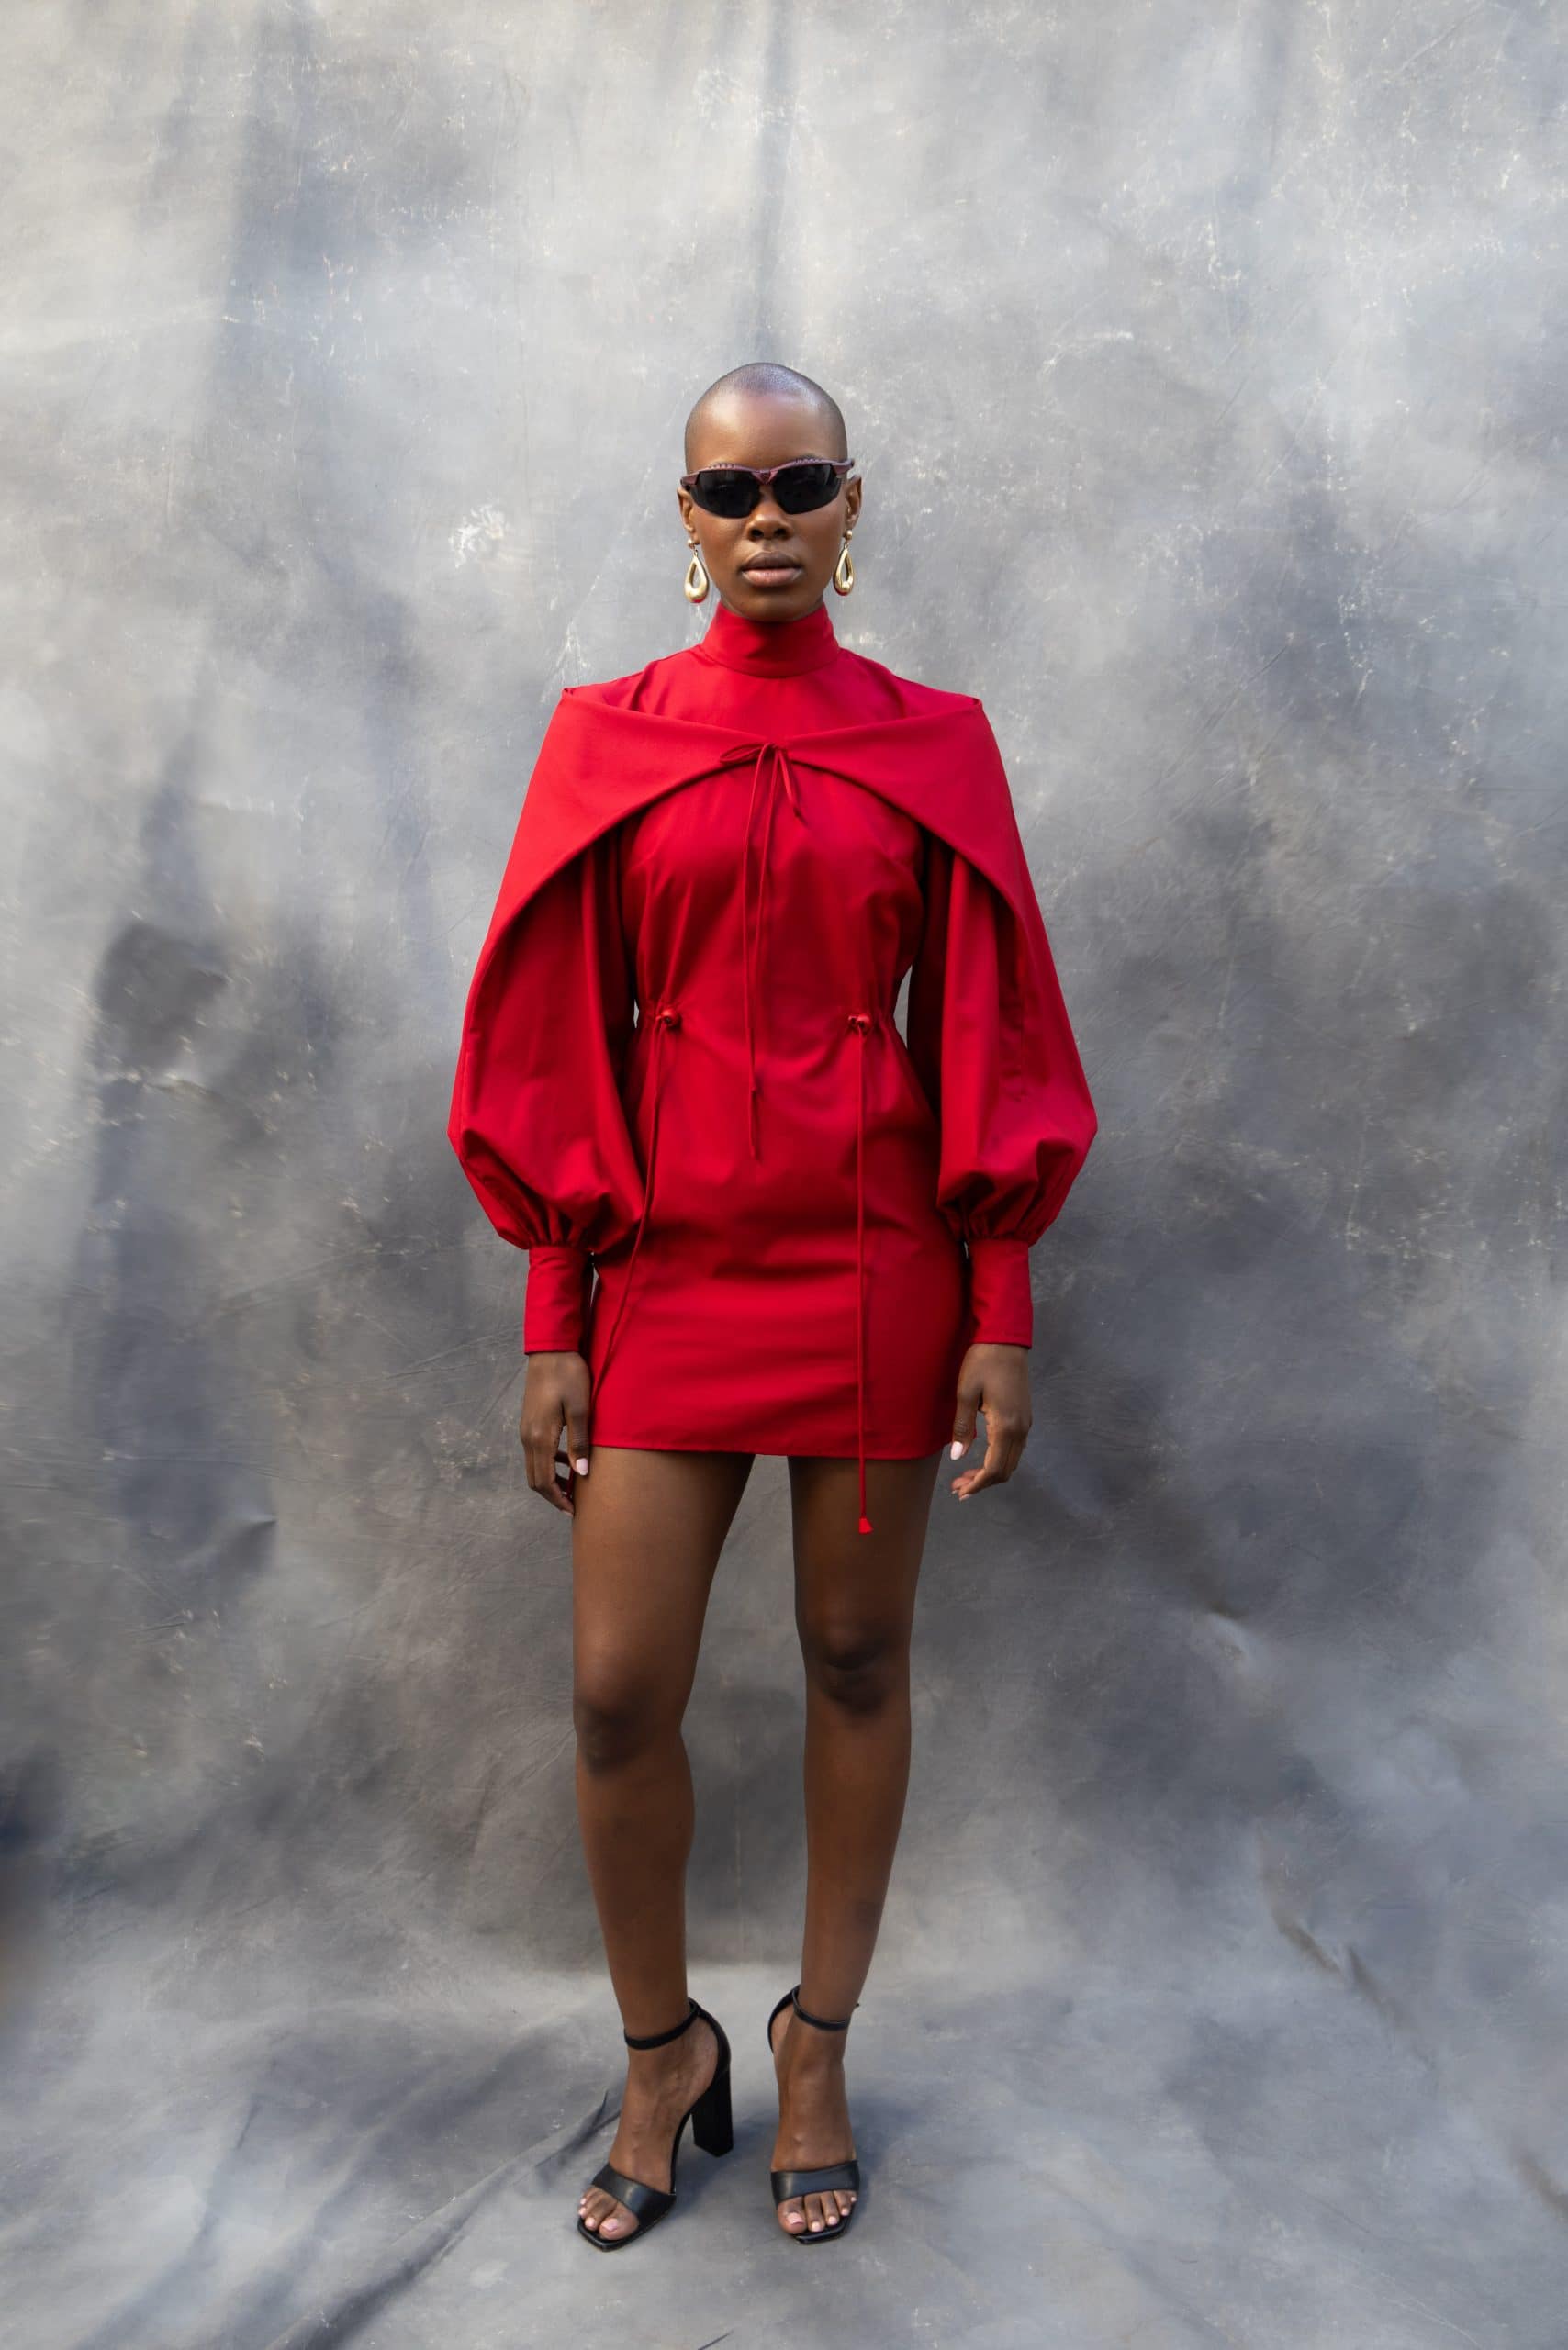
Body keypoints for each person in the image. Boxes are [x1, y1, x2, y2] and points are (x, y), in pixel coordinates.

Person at [447, 362, 1097, 2249]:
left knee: (855, 1660)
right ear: (683, 515)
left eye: (798, 486)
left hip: (878, 1273)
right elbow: (555, 1036)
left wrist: (1000, 1297)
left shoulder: (931, 745)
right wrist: (552, 1312)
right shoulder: (606, 741)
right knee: (613, 1693)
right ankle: (664, 2053)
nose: (763, 522)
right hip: (660, 1271)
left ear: (848, 504)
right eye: (727, 493)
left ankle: (817, 2044)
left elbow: (985, 1021)